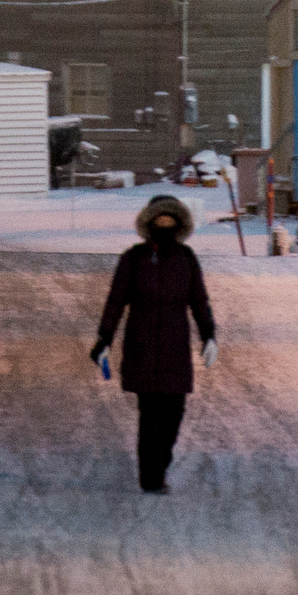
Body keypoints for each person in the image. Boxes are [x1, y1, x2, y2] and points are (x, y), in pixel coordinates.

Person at [91, 193, 218, 494]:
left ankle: (158, 466)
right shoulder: (133, 259)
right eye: (159, 220)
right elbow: (116, 302)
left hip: (175, 350)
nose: (164, 225)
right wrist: (104, 339)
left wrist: (209, 335)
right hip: (142, 348)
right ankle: (152, 479)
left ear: (178, 225)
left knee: (173, 415)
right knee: (150, 418)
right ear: (149, 224)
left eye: (169, 221)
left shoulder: (186, 259)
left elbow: (199, 301)